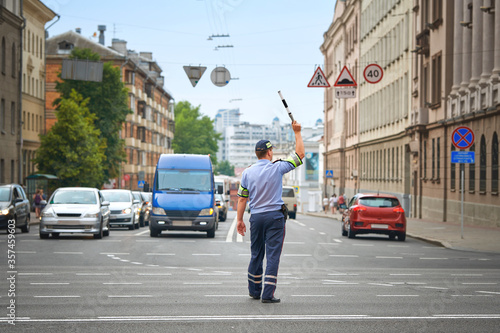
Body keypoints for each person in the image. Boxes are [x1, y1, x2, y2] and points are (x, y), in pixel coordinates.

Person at [237, 120, 305, 304]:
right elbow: (300, 155)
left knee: (256, 254)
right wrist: (297, 132)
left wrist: (239, 220)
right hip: (275, 217)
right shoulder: (278, 167)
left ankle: (254, 290)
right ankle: (267, 294)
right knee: (273, 255)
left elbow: (242, 198)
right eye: (272, 150)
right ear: (269, 152)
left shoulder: (247, 173)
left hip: (256, 217)